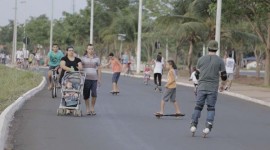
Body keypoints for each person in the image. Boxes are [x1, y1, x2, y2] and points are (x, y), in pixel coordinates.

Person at [190, 40, 227, 136]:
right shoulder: (220, 61)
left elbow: (197, 74)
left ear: (208, 48)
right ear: (217, 49)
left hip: (201, 87)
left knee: (198, 106)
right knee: (211, 108)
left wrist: (198, 83)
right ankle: (208, 126)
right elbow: (224, 76)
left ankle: (193, 125)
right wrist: (222, 85)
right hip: (213, 88)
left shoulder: (201, 59)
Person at [81, 44, 101, 115]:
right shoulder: (83, 58)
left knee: (94, 94)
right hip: (86, 79)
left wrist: (99, 79)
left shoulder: (97, 58)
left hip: (94, 79)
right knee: (86, 95)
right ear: (87, 50)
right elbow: (80, 67)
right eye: (89, 49)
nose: (90, 50)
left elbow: (99, 69)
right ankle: (87, 109)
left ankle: (92, 107)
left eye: (92, 49)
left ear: (93, 50)